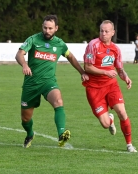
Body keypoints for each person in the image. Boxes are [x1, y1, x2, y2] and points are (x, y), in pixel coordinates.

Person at [15, 15, 89, 148]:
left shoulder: (59, 44)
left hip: (48, 82)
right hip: (31, 84)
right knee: (25, 119)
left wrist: (82, 72)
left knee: (58, 101)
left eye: (50, 28)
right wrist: (25, 65)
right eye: (45, 27)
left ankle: (61, 135)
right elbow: (19, 54)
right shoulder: (33, 39)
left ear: (56, 28)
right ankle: (30, 133)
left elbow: (71, 57)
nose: (47, 31)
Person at [83, 20, 137, 153]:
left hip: (111, 85)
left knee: (123, 113)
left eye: (107, 31)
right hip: (94, 88)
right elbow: (87, 67)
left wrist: (126, 78)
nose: (103, 33)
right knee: (105, 124)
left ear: (113, 32)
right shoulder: (93, 45)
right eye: (101, 31)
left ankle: (129, 145)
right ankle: (110, 120)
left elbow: (119, 68)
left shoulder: (115, 49)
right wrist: (105, 72)